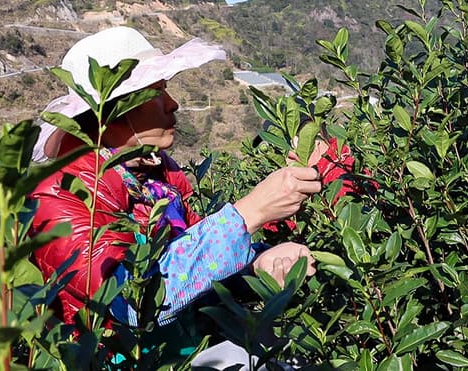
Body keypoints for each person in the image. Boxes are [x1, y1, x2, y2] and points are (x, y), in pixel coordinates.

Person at [28, 27, 320, 364]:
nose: (173, 103)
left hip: (186, 349)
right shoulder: (58, 200)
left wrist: (258, 263)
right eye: (156, 92)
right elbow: (130, 305)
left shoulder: (158, 176)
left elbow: (195, 266)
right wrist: (249, 213)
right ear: (111, 113)